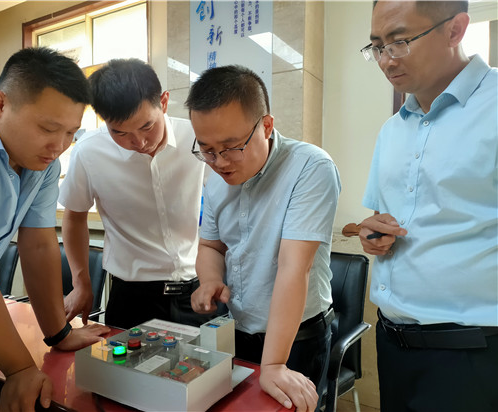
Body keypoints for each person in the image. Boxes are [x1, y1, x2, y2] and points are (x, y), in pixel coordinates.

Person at [0, 47, 110, 412]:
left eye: (71, 133)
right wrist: (19, 367)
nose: (59, 146)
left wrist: (58, 332)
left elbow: (38, 244)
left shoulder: (42, 163)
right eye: (48, 129)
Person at [359, 1, 498, 411]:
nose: (386, 60)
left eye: (400, 41)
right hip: (393, 343)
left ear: (455, 30)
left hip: (472, 353)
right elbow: (382, 218)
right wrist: (373, 233)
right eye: (377, 46)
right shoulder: (392, 129)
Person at [186, 65, 341, 412]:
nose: (219, 162)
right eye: (207, 150)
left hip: (295, 339)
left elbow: (293, 268)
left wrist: (273, 364)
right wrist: (210, 280)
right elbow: (211, 245)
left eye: (231, 147)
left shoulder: (310, 168)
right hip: (238, 330)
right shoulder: (215, 181)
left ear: (266, 126)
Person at [59, 58, 218, 330]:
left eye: (147, 126)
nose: (139, 142)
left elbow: (227, 200)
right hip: (132, 299)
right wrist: (81, 282)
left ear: (164, 102)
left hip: (199, 291)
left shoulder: (196, 137)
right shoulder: (89, 152)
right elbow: (74, 217)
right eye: (120, 132)